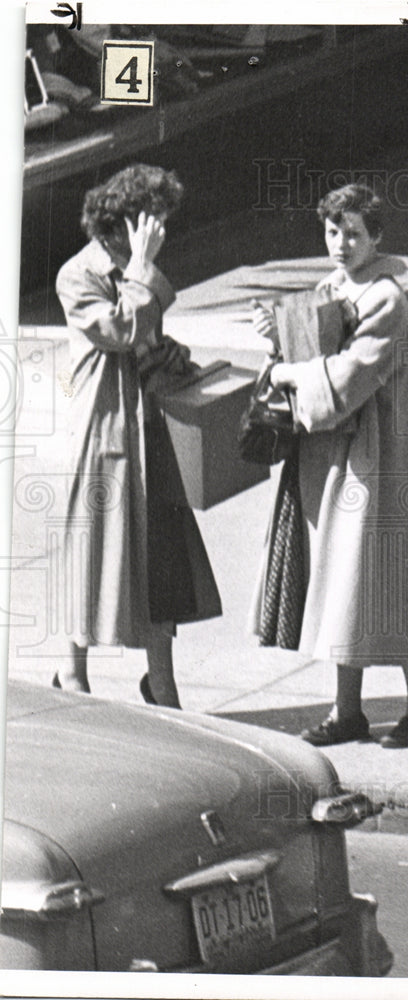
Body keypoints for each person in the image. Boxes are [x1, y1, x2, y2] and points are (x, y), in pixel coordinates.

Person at [251, 184, 408, 749]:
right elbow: (309, 358)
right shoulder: (328, 289)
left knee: (396, 578)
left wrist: (285, 373)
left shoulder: (386, 298)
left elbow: (350, 379)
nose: (341, 242)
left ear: (377, 237)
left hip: (389, 456)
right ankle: (346, 709)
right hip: (340, 455)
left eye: (353, 232)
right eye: (333, 231)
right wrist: (276, 341)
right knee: (342, 581)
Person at [55, 164, 222, 707]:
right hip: (104, 433)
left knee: (161, 563)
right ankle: (72, 674)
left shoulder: (134, 267)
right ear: (125, 221)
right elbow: (120, 332)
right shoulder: (79, 274)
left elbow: (149, 341)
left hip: (148, 432)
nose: (162, 233)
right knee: (94, 555)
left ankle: (162, 682)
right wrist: (145, 265)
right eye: (155, 222)